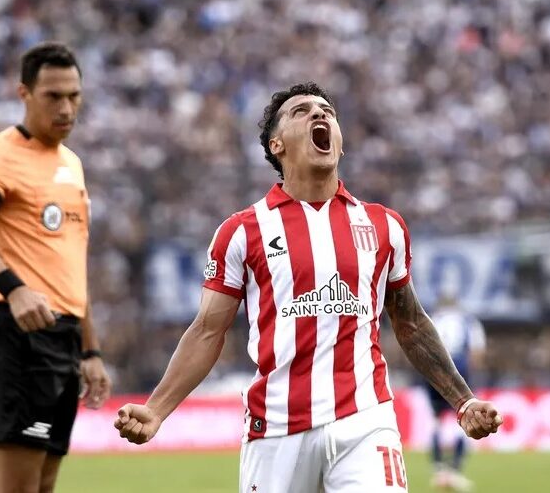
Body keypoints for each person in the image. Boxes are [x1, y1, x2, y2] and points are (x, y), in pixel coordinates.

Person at [114, 82, 503, 491]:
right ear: (277, 145)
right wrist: (156, 409)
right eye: (301, 111)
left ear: (340, 143)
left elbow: (412, 323)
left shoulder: (384, 225)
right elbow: (208, 330)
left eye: (327, 111)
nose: (320, 114)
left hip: (365, 422)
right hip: (277, 430)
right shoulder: (242, 231)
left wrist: (463, 401)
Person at [0, 42, 111, 493]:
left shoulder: (72, 164)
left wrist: (90, 351)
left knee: (42, 486)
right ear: (23, 93)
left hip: (65, 340)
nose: (66, 108)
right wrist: (16, 289)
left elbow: (71, 264)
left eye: (74, 96)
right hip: (19, 337)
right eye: (53, 96)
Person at [425, 292, 487, 491]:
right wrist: (470, 377)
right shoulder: (468, 321)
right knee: (462, 417)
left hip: (434, 368)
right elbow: (476, 352)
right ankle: (455, 470)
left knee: (437, 419)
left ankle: (438, 469)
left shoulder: (433, 318)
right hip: (459, 368)